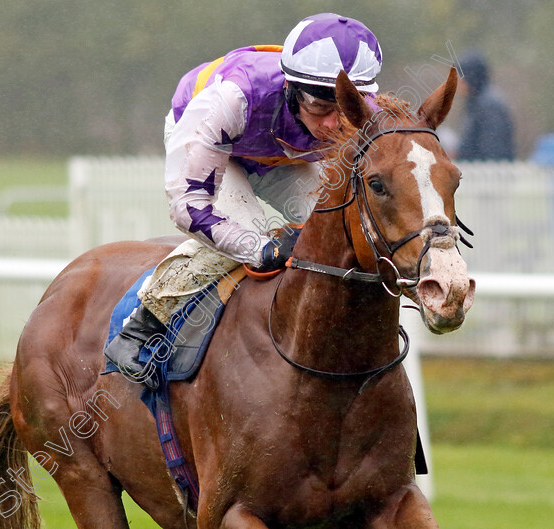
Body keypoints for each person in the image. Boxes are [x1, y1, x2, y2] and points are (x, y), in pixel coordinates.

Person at [104, 13, 383, 388]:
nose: (333, 124)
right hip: (210, 137)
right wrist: (259, 249)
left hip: (281, 155)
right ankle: (143, 322)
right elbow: (188, 206)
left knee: (331, 219)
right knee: (250, 231)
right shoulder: (231, 98)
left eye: (344, 109)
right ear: (291, 88)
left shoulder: (367, 111)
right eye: (319, 108)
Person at [456, 50, 515, 161]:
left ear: (470, 77)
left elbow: (494, 151)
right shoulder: (475, 102)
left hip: (489, 175)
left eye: (459, 77)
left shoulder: (490, 106)